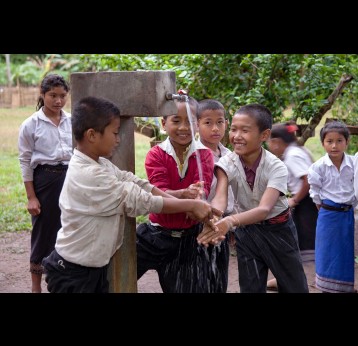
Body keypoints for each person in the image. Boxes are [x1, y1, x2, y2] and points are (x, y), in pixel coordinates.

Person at [41, 96, 217, 293]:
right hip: (73, 272)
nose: (118, 139)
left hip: (91, 268)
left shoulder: (100, 163)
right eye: (115, 133)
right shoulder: (90, 174)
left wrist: (181, 199)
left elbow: (136, 183)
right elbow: (139, 200)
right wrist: (191, 205)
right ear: (92, 135)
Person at [197, 103, 309, 293]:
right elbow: (221, 198)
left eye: (245, 130)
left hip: (279, 231)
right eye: (233, 129)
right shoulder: (226, 162)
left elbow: (264, 209)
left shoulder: (276, 167)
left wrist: (229, 221)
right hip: (247, 232)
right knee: (250, 287)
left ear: (264, 135)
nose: (237, 136)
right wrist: (215, 218)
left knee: (294, 286)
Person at [136, 94, 228, 293]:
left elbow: (201, 191)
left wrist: (192, 197)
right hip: (157, 232)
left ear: (197, 124)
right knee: (115, 271)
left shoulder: (204, 154)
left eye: (190, 121)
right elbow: (158, 193)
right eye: (176, 121)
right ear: (163, 123)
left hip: (188, 237)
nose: (184, 128)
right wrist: (185, 195)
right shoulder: (156, 154)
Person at [18, 74, 71, 293]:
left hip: (70, 178)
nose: (58, 101)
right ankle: (36, 286)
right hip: (45, 180)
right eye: (52, 95)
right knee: (43, 233)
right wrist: (31, 197)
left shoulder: (72, 120)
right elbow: (25, 161)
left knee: (68, 228)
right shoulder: (30, 125)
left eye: (62, 96)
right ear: (42, 94)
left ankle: (62, 281)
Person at [265, 122, 318, 290]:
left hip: (305, 205)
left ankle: (287, 280)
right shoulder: (297, 149)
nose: (269, 146)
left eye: (269, 142)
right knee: (294, 245)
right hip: (306, 203)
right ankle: (284, 279)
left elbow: (307, 179)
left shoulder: (292, 155)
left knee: (292, 245)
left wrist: (294, 200)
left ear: (277, 142)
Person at [308, 120, 357, 293]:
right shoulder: (318, 167)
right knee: (327, 253)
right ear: (322, 143)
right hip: (327, 215)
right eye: (329, 141)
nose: (334, 146)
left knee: (345, 252)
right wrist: (324, 210)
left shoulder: (353, 164)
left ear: (347, 142)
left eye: (339, 141)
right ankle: (326, 288)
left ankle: (345, 288)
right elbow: (315, 192)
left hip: (347, 215)